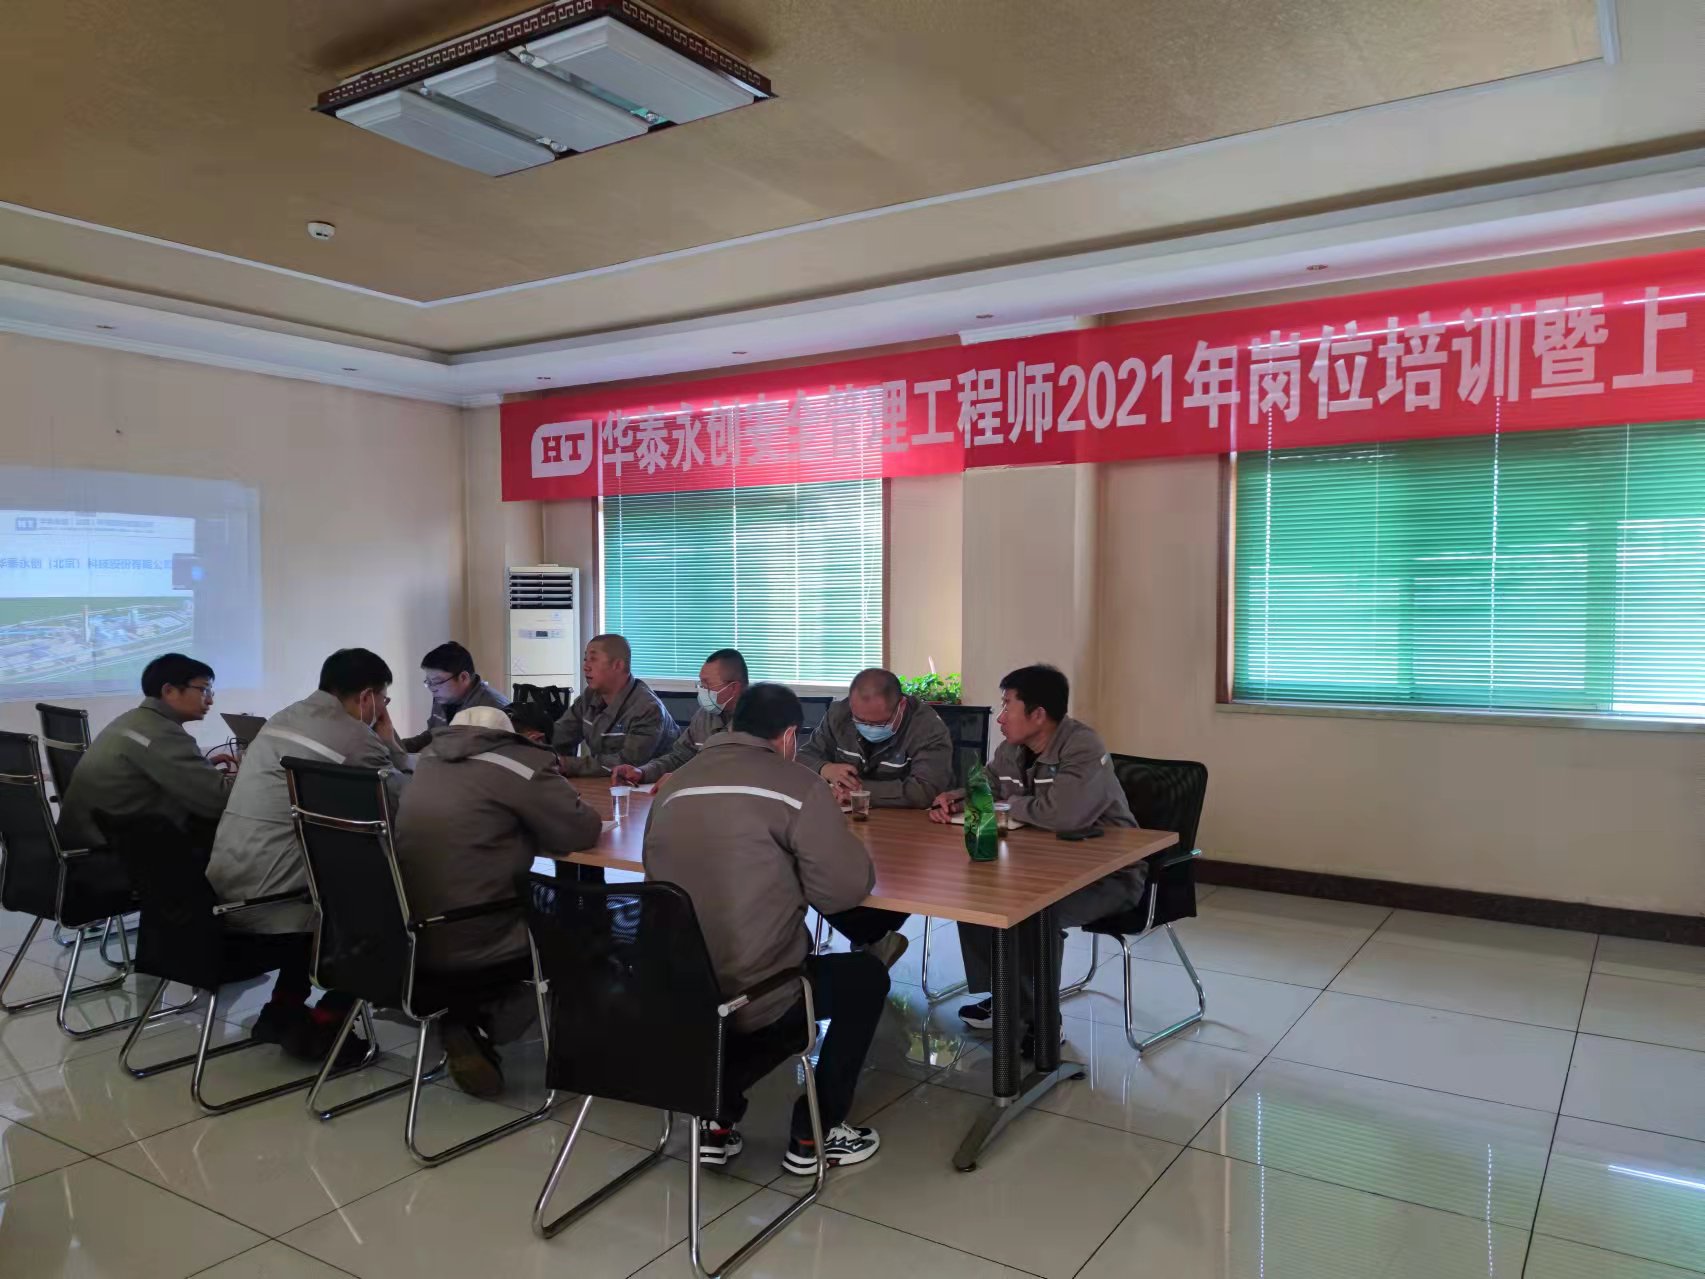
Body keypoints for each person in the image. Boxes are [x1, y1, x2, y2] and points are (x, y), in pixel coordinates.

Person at [644, 684, 886, 1175]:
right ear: (789, 736)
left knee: (735, 968)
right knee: (865, 978)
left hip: (678, 994)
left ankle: (715, 1119)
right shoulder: (798, 786)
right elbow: (841, 893)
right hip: (757, 995)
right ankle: (814, 1131)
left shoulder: (675, 784)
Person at [204, 648, 411, 1063]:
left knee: (344, 883)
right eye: (384, 700)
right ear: (367, 696)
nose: (382, 708)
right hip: (278, 900)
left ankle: (282, 1007)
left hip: (224, 886)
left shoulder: (282, 718)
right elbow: (407, 804)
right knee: (392, 907)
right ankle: (327, 1023)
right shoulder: (356, 739)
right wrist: (392, 745)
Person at [393, 705, 602, 1097]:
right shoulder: (519, 763)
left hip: (411, 932)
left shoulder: (426, 761)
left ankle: (463, 1016)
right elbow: (580, 831)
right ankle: (495, 1024)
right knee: (581, 925)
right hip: (484, 932)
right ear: (510, 736)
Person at [929, 664, 1138, 1053]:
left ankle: (1041, 1019)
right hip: (1038, 865)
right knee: (972, 898)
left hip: (1107, 876)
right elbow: (987, 784)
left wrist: (1007, 803)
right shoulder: (1010, 748)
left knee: (1034, 914)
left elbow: (1064, 814)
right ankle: (1008, 999)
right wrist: (958, 797)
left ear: (1038, 714)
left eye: (1007, 705)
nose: (1000, 717)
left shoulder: (1082, 747)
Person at [797, 666, 953, 967]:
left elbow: (924, 790)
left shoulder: (927, 728)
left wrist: (859, 792)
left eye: (877, 722)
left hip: (910, 842)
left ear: (901, 706)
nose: (866, 727)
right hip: (850, 830)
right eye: (860, 720)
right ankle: (874, 942)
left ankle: (872, 940)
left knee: (880, 882)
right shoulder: (839, 713)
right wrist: (826, 768)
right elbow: (804, 755)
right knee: (807, 869)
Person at [57, 653, 232, 850]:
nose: (210, 701)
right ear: (169, 691)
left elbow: (155, 765)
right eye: (204, 690)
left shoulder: (134, 720)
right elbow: (220, 801)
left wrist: (201, 768)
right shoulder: (162, 733)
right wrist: (249, 774)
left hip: (84, 834)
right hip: (113, 848)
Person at [612, 647, 747, 787]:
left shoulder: (757, 721)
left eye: (708, 684)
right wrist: (642, 772)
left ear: (733, 688)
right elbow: (679, 757)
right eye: (701, 683)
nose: (702, 690)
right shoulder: (704, 715)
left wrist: (684, 780)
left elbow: (738, 773)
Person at [551, 634, 678, 777]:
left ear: (617, 665)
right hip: (606, 782)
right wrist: (536, 742)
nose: (586, 667)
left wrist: (568, 764)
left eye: (593, 659)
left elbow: (628, 763)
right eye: (585, 659)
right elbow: (562, 734)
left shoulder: (647, 708)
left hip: (649, 784)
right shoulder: (590, 696)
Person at [400, 641, 510, 754]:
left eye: (437, 682)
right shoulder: (443, 697)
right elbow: (433, 735)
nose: (432, 688)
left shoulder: (494, 708)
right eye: (428, 682)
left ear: (463, 677)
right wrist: (397, 747)